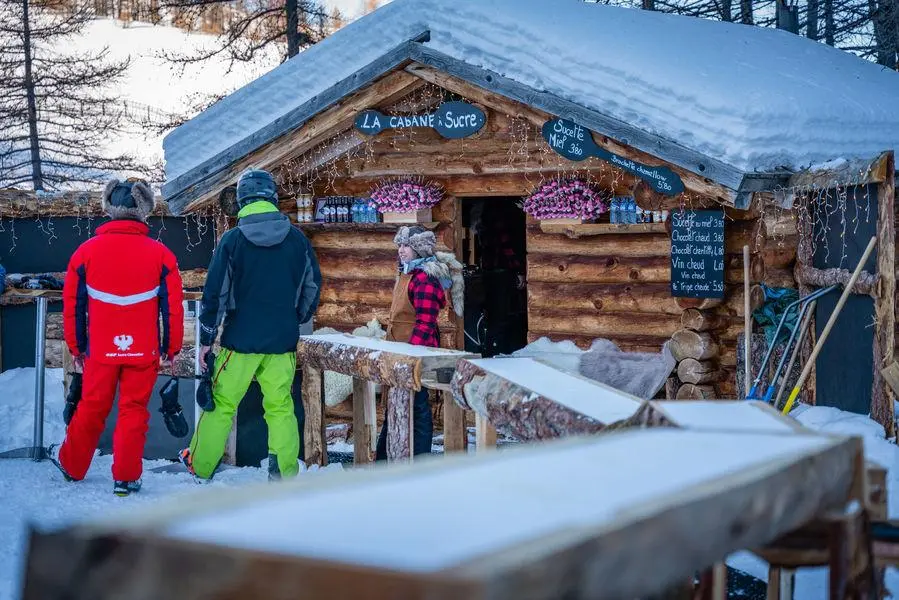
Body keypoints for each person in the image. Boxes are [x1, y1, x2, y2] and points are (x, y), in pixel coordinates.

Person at [179, 168, 321, 483]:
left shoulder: (232, 240)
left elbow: (214, 294)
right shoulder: (297, 240)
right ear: (271, 197)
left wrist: (206, 338)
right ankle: (284, 471)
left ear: (242, 200)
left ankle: (201, 465)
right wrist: (297, 316)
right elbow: (313, 285)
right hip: (282, 341)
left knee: (222, 404)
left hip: (239, 342)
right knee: (281, 406)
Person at [48, 178, 184, 496]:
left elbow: (73, 305)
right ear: (142, 211)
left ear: (110, 209)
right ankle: (125, 477)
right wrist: (171, 347)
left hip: (100, 350)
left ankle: (72, 466)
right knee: (133, 409)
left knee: (92, 405)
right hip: (143, 349)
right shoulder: (162, 255)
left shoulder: (85, 253)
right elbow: (173, 308)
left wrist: (76, 346)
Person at [376, 225, 463, 460]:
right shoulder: (408, 273)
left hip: (414, 352)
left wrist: (411, 355)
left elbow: (425, 322)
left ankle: (420, 460)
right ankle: (386, 459)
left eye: (406, 246)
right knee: (397, 405)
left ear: (419, 249)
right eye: (400, 245)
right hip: (399, 349)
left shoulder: (425, 278)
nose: (401, 250)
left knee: (418, 407)